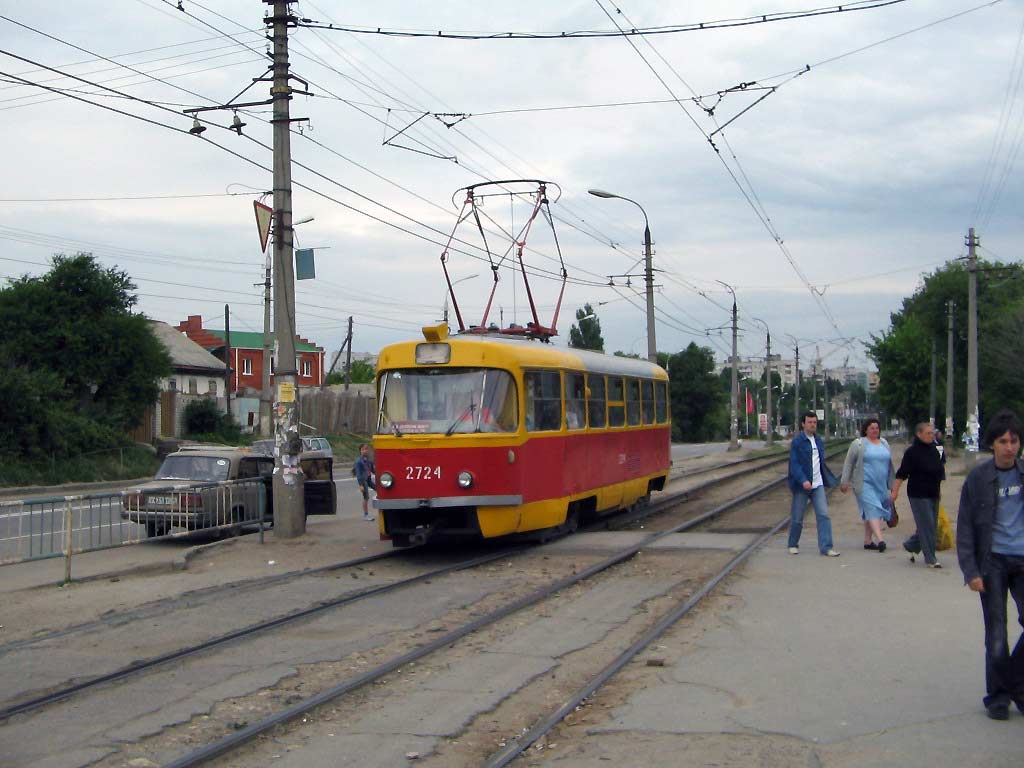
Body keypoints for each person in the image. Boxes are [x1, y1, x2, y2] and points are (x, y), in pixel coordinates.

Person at [956, 409, 1024, 721]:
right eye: (1003, 441)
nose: (1010, 447)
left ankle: (1012, 683)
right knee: (997, 634)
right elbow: (966, 528)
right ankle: (998, 697)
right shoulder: (978, 479)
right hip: (992, 562)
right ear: (992, 445)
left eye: (1014, 441)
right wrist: (970, 571)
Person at [892, 422, 946, 568]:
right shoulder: (912, 452)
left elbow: (939, 472)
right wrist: (895, 492)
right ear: (919, 434)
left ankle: (911, 544)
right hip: (918, 493)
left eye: (932, 433)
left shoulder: (935, 450)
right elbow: (902, 473)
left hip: (933, 492)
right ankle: (931, 559)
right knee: (927, 524)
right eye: (928, 433)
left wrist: (939, 491)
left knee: (931, 526)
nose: (931, 436)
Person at [787, 411, 841, 556]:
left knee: (823, 515)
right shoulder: (797, 442)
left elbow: (820, 463)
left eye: (815, 422)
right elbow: (794, 464)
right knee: (797, 517)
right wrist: (803, 479)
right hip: (802, 485)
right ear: (803, 424)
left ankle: (826, 547)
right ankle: (793, 543)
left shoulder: (818, 441)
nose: (813, 425)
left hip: (818, 485)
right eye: (810, 422)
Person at [840, 417, 895, 551]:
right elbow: (849, 463)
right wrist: (844, 481)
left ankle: (868, 541)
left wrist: (893, 485)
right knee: (873, 509)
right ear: (866, 430)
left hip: (880, 484)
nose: (875, 430)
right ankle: (881, 540)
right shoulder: (858, 444)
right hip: (864, 484)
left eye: (877, 428)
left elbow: (890, 465)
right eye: (872, 428)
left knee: (871, 511)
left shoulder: (884, 443)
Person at [353, 443, 376, 521]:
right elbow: (359, 475)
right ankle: (365, 515)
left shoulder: (369, 459)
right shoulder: (358, 461)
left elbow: (373, 470)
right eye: (363, 449)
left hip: (368, 479)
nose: (365, 451)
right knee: (366, 497)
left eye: (366, 449)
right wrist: (360, 485)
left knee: (380, 490)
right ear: (360, 451)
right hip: (363, 480)